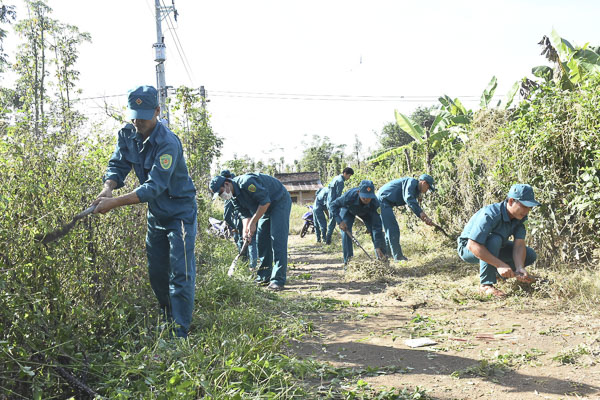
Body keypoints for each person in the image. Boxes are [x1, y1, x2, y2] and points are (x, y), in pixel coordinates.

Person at [93, 85, 197, 338]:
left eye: (144, 114)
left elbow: (154, 187)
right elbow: (117, 164)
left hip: (179, 211)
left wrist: (114, 203)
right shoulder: (128, 134)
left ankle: (179, 333)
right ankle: (168, 318)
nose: (138, 120)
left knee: (180, 271)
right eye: (134, 114)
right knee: (157, 272)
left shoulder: (168, 143)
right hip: (157, 214)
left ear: (157, 112)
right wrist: (108, 188)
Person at [210, 172, 292, 291]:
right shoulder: (234, 197)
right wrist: (246, 230)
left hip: (278, 202)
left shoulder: (247, 182)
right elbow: (244, 214)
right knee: (262, 241)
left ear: (227, 184)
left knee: (277, 239)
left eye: (221, 192)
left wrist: (253, 222)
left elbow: (265, 201)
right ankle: (264, 276)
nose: (221, 195)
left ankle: (278, 280)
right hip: (264, 209)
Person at [457, 184, 540, 298]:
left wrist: (520, 267)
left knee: (530, 254)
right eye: (525, 205)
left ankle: (497, 275)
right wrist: (500, 264)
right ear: (511, 201)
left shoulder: (520, 217)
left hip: (495, 246)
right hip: (468, 248)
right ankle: (486, 285)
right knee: (494, 239)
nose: (527, 210)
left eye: (530, 207)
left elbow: (519, 245)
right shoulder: (490, 214)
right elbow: (473, 245)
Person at [376, 174, 435, 261]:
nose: (427, 190)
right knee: (393, 229)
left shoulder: (416, 189)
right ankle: (399, 257)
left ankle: (388, 255)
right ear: (424, 183)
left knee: (389, 229)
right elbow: (408, 198)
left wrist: (422, 214)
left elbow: (412, 200)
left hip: (385, 202)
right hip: (382, 201)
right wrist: (422, 215)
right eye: (428, 187)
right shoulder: (412, 182)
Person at [329, 180, 386, 265]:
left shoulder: (375, 203)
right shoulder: (349, 197)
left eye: (369, 197)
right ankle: (349, 263)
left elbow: (376, 226)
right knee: (346, 231)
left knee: (377, 234)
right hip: (348, 210)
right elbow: (332, 205)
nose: (366, 199)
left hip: (366, 213)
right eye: (364, 197)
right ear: (359, 192)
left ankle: (383, 262)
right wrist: (339, 221)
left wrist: (378, 246)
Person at [220, 170, 257, 268]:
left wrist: (234, 227)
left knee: (246, 241)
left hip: (242, 220)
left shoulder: (230, 192)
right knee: (250, 241)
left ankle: (248, 265)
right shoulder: (235, 186)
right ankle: (250, 265)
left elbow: (227, 216)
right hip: (248, 218)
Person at [325, 167, 354, 244]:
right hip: (333, 203)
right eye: (349, 176)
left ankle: (328, 238)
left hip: (329, 201)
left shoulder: (336, 178)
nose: (349, 178)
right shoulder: (341, 181)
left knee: (332, 220)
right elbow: (339, 196)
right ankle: (328, 240)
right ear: (345, 173)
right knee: (333, 221)